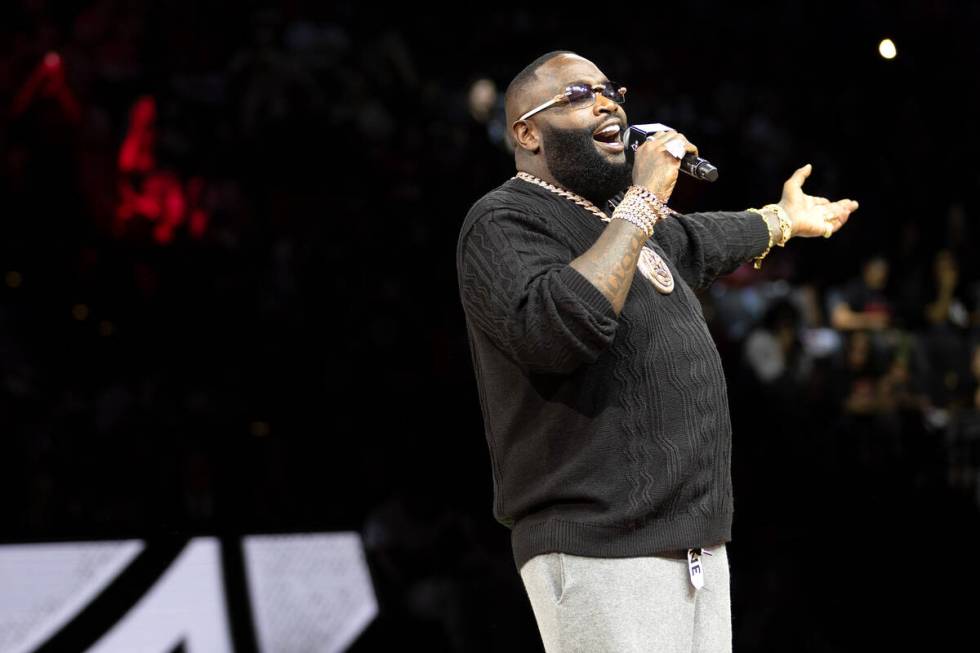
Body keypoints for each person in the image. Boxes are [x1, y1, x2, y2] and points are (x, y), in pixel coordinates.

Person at [454, 50, 859, 652]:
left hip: (691, 541)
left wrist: (781, 219)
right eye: (575, 95)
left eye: (608, 89)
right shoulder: (502, 220)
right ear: (527, 132)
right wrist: (644, 198)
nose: (605, 100)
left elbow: (699, 240)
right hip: (599, 541)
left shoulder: (618, 218)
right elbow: (564, 324)